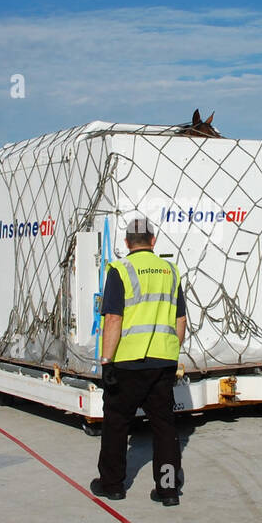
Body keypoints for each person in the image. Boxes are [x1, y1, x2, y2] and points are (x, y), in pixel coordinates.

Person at [91, 216, 188, 506]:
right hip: (162, 361)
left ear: (126, 243)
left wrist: (107, 361)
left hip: (127, 363)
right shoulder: (170, 271)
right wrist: (170, 349)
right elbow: (180, 319)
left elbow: (114, 319)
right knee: (164, 426)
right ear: (153, 241)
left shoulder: (120, 270)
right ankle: (168, 489)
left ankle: (113, 485)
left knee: (117, 424)